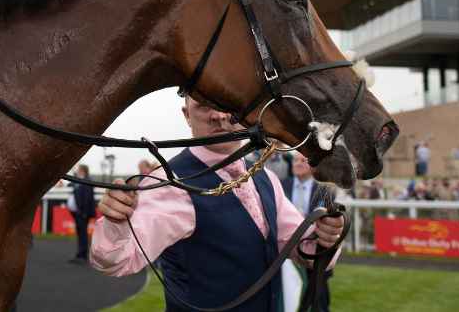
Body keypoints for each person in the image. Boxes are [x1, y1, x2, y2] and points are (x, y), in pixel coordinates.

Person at [90, 97, 344, 312]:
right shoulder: (169, 182)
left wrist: (325, 236)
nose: (219, 115)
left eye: (228, 105)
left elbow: (303, 248)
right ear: (187, 114)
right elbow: (118, 260)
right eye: (203, 105)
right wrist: (116, 222)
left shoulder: (267, 177)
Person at [282, 154, 335, 312]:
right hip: (286, 252)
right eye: (295, 160)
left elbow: (323, 220)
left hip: (314, 254)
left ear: (314, 166)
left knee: (319, 300)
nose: (297, 164)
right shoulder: (281, 185)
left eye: (302, 161)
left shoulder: (324, 191)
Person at [68, 164, 97, 264]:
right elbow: (70, 184)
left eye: (79, 170)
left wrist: (84, 212)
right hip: (78, 212)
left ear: (83, 170)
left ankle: (83, 255)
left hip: (83, 213)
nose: (77, 171)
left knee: (83, 233)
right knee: (80, 233)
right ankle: (80, 254)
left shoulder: (87, 181)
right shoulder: (78, 181)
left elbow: (88, 198)